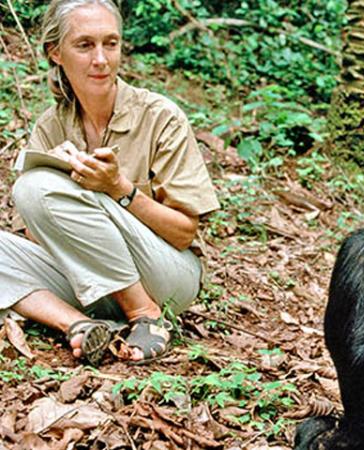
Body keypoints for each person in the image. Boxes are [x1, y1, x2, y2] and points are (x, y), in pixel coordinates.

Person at [0, 0, 219, 365]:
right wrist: (66, 192)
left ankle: (145, 315)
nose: (101, 59)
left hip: (166, 277)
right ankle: (79, 325)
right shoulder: (50, 125)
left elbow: (184, 234)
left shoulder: (160, 116)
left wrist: (119, 188)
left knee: (32, 186)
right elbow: (38, 237)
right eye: (85, 45)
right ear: (56, 53)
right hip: (92, 281)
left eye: (111, 43)